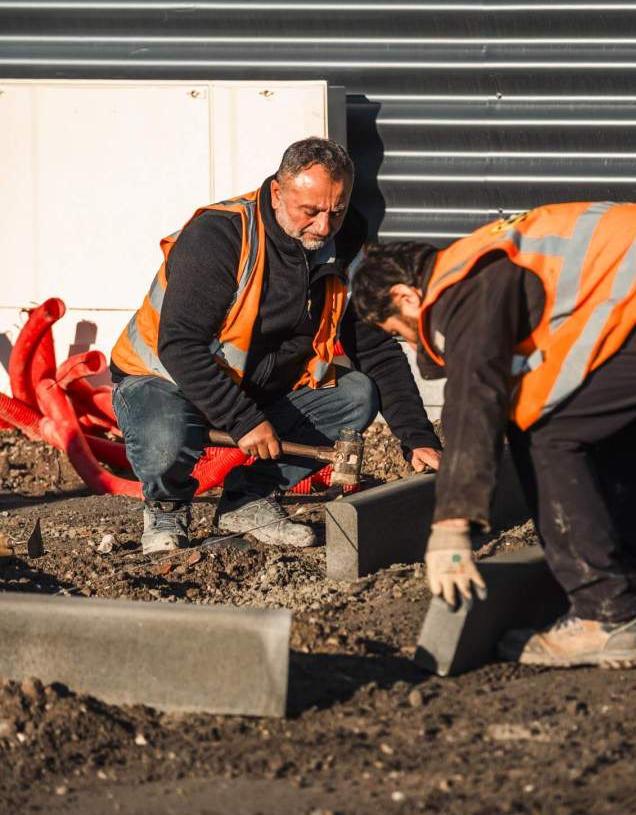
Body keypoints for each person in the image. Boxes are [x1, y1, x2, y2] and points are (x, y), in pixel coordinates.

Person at [350, 199, 636, 669]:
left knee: (547, 429)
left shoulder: (463, 287)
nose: (411, 341)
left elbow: (474, 397)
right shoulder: (485, 260)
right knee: (605, 428)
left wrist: (451, 526)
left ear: (406, 297)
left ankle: (602, 615)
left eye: (399, 331)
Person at [111, 137, 441, 554]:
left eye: (336, 211)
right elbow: (179, 345)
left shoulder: (347, 241)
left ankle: (247, 499)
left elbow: (374, 347)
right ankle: (167, 506)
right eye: (310, 211)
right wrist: (243, 419)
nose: (324, 227)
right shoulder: (220, 236)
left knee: (356, 395)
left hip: (256, 387)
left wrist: (417, 437)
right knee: (165, 435)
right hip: (162, 381)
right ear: (277, 193)